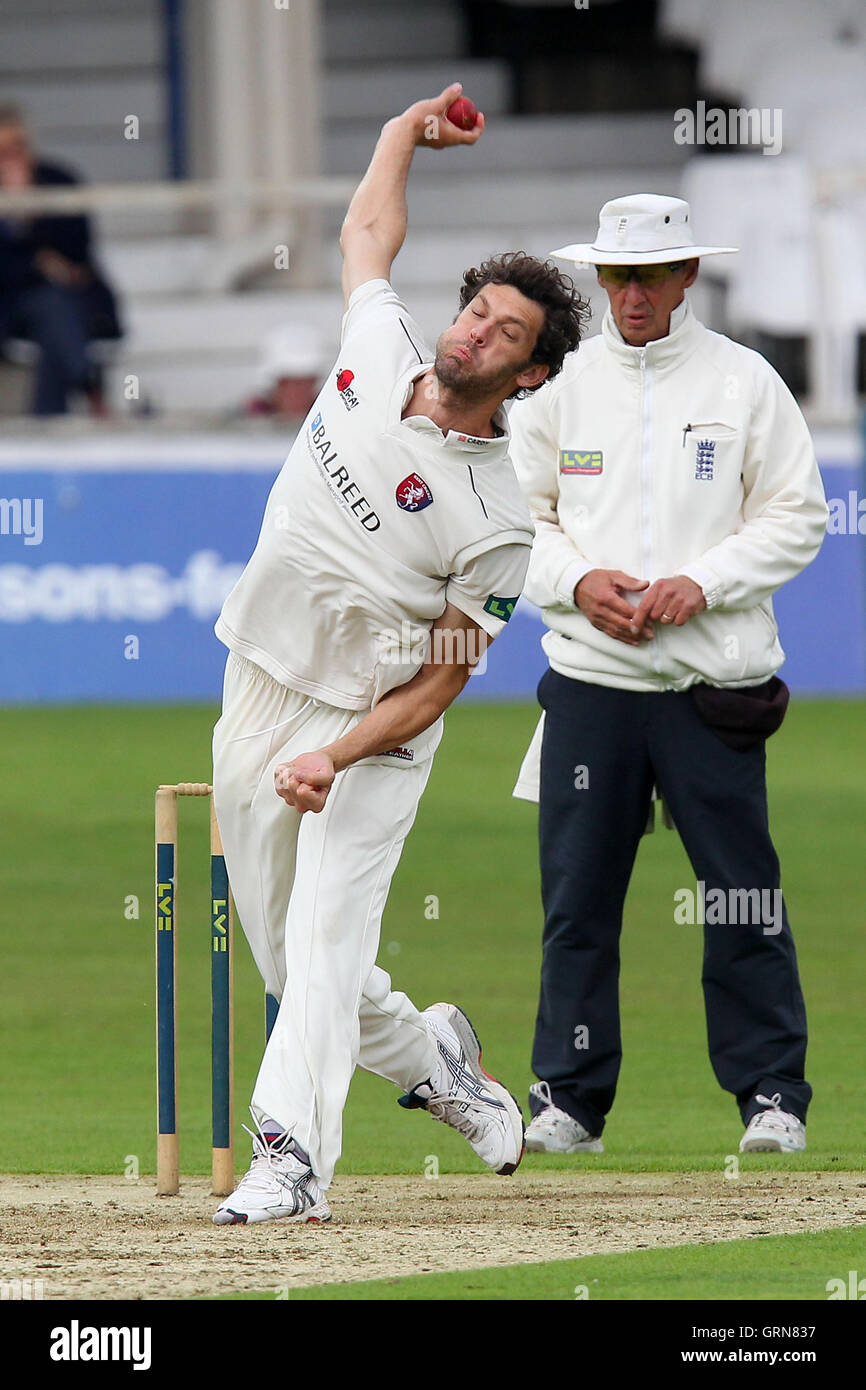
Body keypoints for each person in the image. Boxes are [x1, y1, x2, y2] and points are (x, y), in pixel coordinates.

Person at [209, 84, 588, 1225]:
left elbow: (440, 679)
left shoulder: (501, 522)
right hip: (262, 675)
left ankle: (289, 1161)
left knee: (324, 945)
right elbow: (366, 232)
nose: (476, 331)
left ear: (529, 374)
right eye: (476, 312)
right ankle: (436, 1062)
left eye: (507, 334)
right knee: (283, 958)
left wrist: (340, 754)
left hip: (373, 729)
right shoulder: (378, 344)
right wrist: (400, 133)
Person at [510, 193, 828, 1159]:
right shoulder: (556, 389)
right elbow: (509, 529)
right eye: (615, 277)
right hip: (592, 684)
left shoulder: (745, 382)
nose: (631, 294)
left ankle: (773, 1095)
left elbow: (798, 514)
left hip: (710, 685)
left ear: (687, 275)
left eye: (649, 275)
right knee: (578, 902)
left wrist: (704, 581)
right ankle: (568, 1098)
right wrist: (578, 581)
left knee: (740, 895)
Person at [0, 103, 121, 415]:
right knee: (54, 308)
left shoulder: (58, 180)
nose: (10, 159)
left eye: (17, 147)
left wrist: (34, 210)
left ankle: (48, 420)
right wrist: (20, 219)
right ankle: (89, 387)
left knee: (55, 313)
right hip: (12, 306)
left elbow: (78, 250)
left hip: (71, 300)